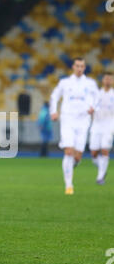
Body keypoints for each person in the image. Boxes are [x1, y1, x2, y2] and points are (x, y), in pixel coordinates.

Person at [50, 57, 99, 195]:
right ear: (73, 67)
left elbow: (97, 97)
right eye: (77, 66)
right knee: (69, 151)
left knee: (77, 156)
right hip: (67, 119)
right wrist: (54, 111)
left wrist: (93, 107)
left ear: (84, 68)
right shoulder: (65, 82)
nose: (79, 68)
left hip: (83, 121)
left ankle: (73, 165)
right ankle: (69, 185)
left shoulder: (90, 83)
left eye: (82, 66)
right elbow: (55, 96)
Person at [89, 72, 114, 185]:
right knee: (94, 153)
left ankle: (100, 177)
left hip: (109, 126)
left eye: (110, 79)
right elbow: (90, 107)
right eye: (106, 79)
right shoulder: (96, 94)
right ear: (103, 80)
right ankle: (102, 169)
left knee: (104, 149)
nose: (108, 81)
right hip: (96, 125)